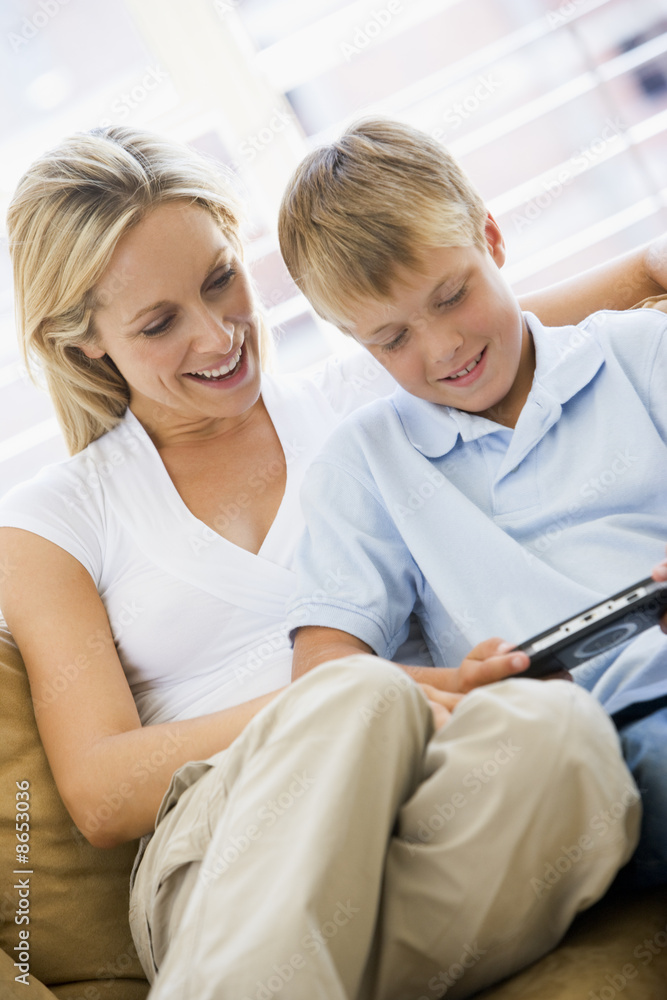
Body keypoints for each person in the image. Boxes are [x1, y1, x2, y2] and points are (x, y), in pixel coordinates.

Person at [0, 125, 663, 1000]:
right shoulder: (54, 518)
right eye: (159, 323)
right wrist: (366, 695)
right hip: (231, 845)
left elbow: (514, 313)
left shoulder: (377, 391)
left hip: (420, 809)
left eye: (220, 280)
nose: (216, 337)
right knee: (358, 691)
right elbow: (100, 790)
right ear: (83, 341)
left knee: (563, 733)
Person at [278, 118, 667, 900]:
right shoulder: (364, 465)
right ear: (354, 342)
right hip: (587, 748)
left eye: (451, 296)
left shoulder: (637, 352)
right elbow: (326, 673)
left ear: (490, 237)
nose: (443, 348)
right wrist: (445, 690)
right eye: (391, 339)